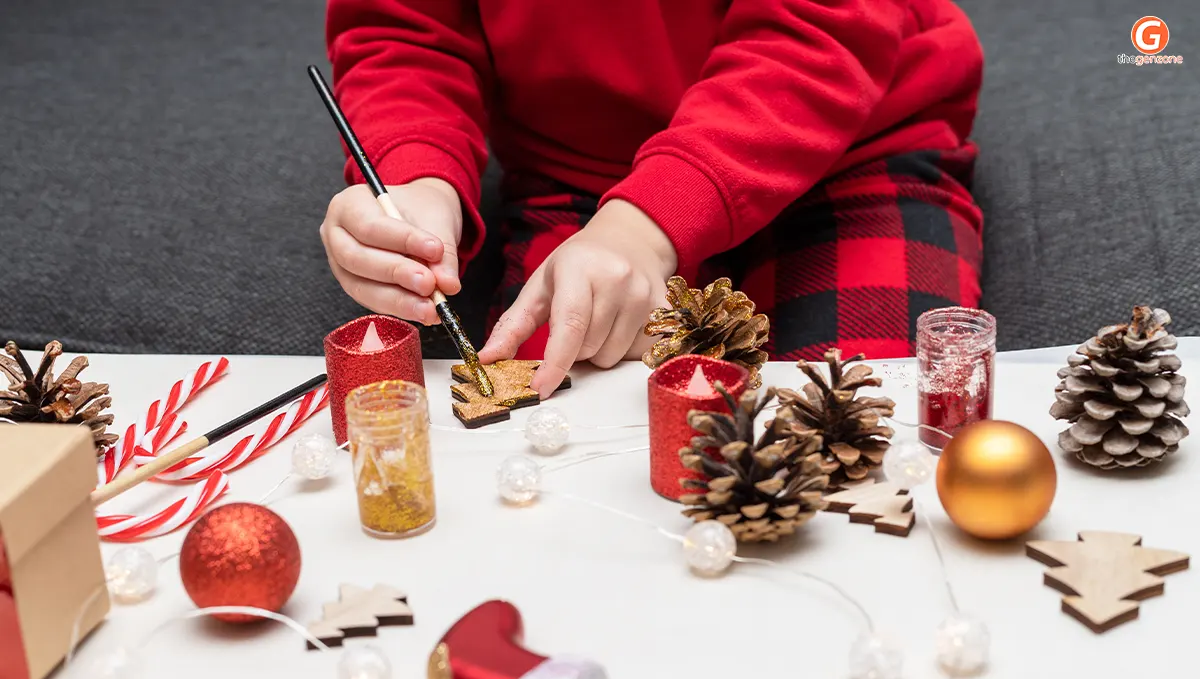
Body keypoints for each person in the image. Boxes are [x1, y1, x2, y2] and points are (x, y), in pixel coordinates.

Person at [320, 0, 984, 399]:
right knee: (554, 438)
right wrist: (417, 172)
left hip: (848, 148)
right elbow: (403, 30)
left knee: (873, 427)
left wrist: (651, 222)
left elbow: (820, 27)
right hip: (584, 173)